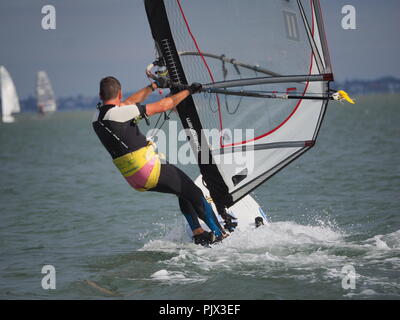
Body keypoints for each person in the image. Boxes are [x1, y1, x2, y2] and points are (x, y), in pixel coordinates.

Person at [92, 76, 227, 246]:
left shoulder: (97, 116)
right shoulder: (121, 113)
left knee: (182, 190)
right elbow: (164, 105)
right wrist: (189, 91)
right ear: (119, 93)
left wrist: (153, 86)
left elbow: (127, 103)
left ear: (100, 94)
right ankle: (220, 234)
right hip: (148, 169)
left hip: (134, 179)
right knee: (195, 193)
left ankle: (198, 233)